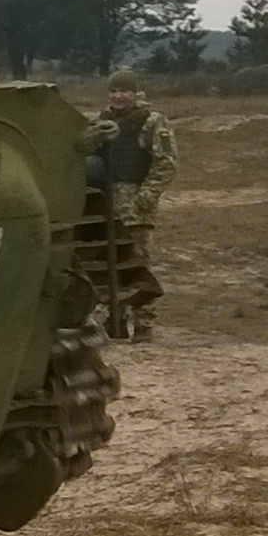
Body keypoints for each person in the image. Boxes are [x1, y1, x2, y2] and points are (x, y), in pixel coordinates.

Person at [82, 69, 178, 341]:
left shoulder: (151, 121)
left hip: (136, 207)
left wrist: (146, 196)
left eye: (124, 91)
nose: (118, 96)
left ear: (135, 93)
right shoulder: (100, 122)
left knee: (138, 265)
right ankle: (116, 319)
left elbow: (166, 164)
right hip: (105, 206)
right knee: (109, 264)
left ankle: (144, 323)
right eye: (113, 91)